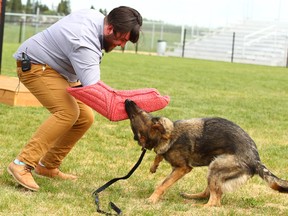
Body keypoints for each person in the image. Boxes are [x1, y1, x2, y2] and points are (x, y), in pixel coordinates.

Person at [7, 6, 143, 191]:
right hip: (35, 64)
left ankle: (47, 166)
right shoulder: (84, 42)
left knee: (85, 117)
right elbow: (96, 92)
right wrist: (134, 109)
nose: (121, 45)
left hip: (58, 70)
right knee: (67, 112)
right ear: (110, 28)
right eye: (121, 39)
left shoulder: (96, 17)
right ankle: (22, 164)